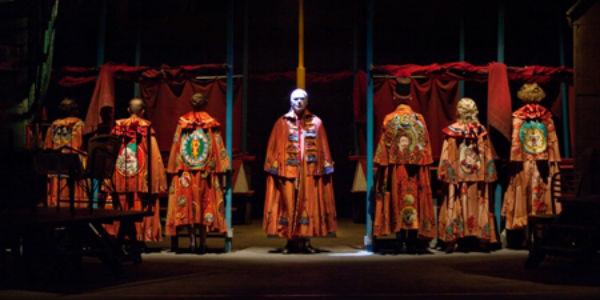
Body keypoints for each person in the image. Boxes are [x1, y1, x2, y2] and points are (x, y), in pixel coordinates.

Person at [263, 88, 337, 254]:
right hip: (287, 170)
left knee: (308, 204)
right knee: (288, 204)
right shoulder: (281, 122)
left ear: (307, 101)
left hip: (309, 170)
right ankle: (290, 241)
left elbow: (323, 146)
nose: (298, 102)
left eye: (302, 99)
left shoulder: (317, 122)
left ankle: (306, 240)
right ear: (290, 101)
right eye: (295, 99)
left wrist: (324, 168)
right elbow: (273, 147)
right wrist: (274, 168)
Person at [373, 78, 435, 253]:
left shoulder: (389, 119)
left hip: (396, 168)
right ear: (410, 96)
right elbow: (425, 147)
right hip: (415, 170)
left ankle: (400, 239)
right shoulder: (419, 119)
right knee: (414, 199)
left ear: (394, 95)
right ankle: (413, 241)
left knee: (398, 198)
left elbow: (383, 148)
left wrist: (383, 166)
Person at [165, 92, 230, 252]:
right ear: (205, 103)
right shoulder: (206, 124)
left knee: (192, 204)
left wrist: (174, 167)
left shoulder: (187, 123)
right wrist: (220, 167)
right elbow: (217, 148)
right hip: (202, 172)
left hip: (189, 172)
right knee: (202, 203)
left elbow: (176, 146)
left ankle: (194, 240)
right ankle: (201, 241)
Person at [437, 98, 498, 252]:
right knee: (479, 202)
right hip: (476, 176)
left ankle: (453, 239)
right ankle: (481, 239)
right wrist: (488, 173)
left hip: (459, 176)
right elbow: (487, 154)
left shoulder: (453, 131)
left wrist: (446, 173)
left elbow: (447, 154)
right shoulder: (481, 131)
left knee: (455, 201)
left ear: (458, 111)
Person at [502, 83, 561, 232]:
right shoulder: (546, 116)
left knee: (525, 191)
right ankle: (539, 230)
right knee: (540, 191)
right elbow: (552, 142)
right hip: (543, 163)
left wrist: (515, 161)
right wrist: (553, 160)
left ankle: (526, 230)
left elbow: (516, 143)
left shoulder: (518, 117)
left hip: (524, 163)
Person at [110, 98, 167, 242]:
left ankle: (119, 237)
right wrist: (156, 182)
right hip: (141, 177)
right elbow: (155, 158)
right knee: (139, 204)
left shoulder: (117, 129)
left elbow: (110, 154)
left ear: (128, 110)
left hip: (120, 175)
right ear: (142, 112)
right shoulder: (146, 130)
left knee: (121, 204)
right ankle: (139, 238)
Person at [43, 98, 87, 207]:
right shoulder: (79, 124)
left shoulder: (53, 125)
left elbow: (47, 146)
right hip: (74, 164)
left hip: (57, 165)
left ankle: (54, 202)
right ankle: (77, 204)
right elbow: (82, 145)